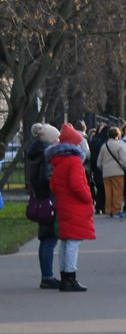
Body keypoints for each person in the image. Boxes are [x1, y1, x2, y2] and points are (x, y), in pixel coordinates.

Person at [46, 123, 95, 292]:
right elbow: (77, 185)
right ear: (75, 144)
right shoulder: (74, 161)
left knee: (65, 242)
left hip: (63, 205)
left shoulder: (58, 162)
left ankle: (64, 277)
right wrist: (88, 197)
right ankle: (71, 277)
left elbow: (53, 185)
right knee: (73, 243)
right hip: (76, 206)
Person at [23, 123, 62, 289]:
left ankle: (46, 275)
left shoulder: (37, 153)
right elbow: (47, 179)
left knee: (45, 238)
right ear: (51, 139)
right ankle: (47, 276)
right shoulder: (47, 155)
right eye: (57, 138)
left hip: (41, 201)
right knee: (49, 239)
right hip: (48, 201)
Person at [97, 125, 126, 217]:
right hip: (118, 173)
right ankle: (116, 211)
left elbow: (99, 162)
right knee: (117, 192)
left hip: (106, 173)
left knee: (108, 193)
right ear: (118, 135)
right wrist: (124, 168)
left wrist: (104, 168)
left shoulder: (104, 146)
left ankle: (108, 211)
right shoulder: (119, 146)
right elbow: (123, 161)